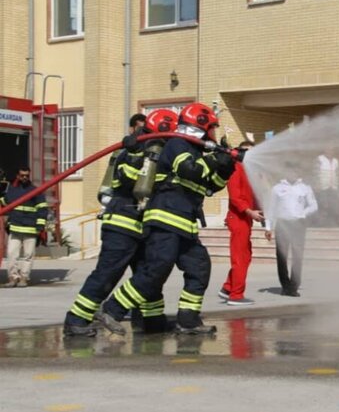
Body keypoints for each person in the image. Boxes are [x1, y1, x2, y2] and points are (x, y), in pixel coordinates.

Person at [94, 103, 236, 336]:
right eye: (213, 128)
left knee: (199, 267)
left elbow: (210, 186)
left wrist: (226, 167)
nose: (214, 134)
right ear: (200, 126)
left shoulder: (197, 151)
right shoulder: (177, 144)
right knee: (156, 270)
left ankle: (188, 320)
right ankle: (112, 309)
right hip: (165, 218)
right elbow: (189, 170)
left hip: (185, 224)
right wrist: (215, 159)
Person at [63, 110, 179, 337]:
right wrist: (139, 153)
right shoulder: (132, 150)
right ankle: (76, 320)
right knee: (107, 273)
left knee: (147, 274)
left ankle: (152, 321)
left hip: (142, 224)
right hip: (122, 223)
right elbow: (128, 178)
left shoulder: (156, 150)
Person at [218, 140, 263, 306]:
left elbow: (253, 197)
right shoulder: (236, 169)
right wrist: (250, 212)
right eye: (245, 151)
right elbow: (235, 197)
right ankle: (236, 295)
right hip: (238, 218)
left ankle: (227, 287)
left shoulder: (249, 171)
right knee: (240, 258)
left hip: (245, 219)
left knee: (246, 255)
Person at [264, 162, 317, 297]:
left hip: (298, 224)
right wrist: (268, 227)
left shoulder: (305, 188)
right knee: (281, 256)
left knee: (297, 255)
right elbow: (271, 209)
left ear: (298, 173)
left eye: (295, 171)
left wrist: (303, 213)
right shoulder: (277, 189)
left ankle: (294, 285)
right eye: (290, 171)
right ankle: (285, 285)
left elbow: (313, 205)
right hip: (282, 224)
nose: (292, 174)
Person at [0, 167, 48, 288]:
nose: (25, 177)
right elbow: (5, 203)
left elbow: (42, 210)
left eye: (27, 175)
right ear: (18, 176)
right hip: (15, 227)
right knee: (11, 254)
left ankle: (24, 278)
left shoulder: (36, 191)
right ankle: (13, 278)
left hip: (30, 229)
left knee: (28, 255)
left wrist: (40, 226)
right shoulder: (12, 190)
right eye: (22, 175)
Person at [314, 147, 339, 226]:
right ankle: (321, 225)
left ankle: (332, 224)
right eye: (328, 149)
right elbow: (315, 172)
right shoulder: (319, 159)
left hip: (333, 187)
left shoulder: (336, 161)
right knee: (323, 205)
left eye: (332, 149)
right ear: (325, 150)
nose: (330, 151)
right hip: (322, 186)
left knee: (333, 206)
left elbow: (338, 174)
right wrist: (317, 184)